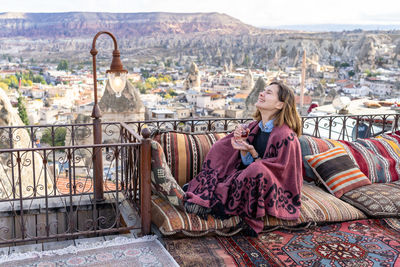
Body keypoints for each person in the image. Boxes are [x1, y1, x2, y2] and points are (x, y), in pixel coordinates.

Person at [184, 81, 303, 236]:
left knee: (256, 169)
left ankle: (219, 202)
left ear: (280, 105)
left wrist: (252, 154)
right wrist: (244, 148)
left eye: (269, 93)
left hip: (276, 188)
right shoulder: (254, 127)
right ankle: (208, 190)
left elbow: (279, 172)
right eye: (263, 90)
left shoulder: (286, 136)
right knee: (224, 145)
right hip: (251, 176)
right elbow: (251, 163)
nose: (261, 93)